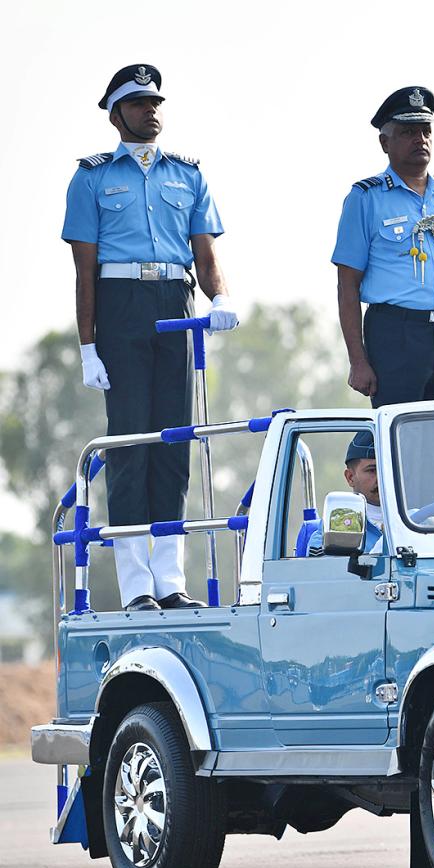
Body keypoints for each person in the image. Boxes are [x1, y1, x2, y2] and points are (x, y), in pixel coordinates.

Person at [62, 64, 238, 612]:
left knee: (174, 442)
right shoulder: (90, 178)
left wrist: (222, 297)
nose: (151, 111)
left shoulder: (188, 174)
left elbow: (206, 255)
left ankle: (170, 579)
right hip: (121, 307)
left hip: (175, 303)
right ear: (116, 114)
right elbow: (84, 270)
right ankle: (137, 583)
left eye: (156, 102)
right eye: (138, 104)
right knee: (131, 443)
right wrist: (88, 345)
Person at [332, 86, 434, 505]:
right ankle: (403, 537)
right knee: (399, 449)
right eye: (409, 131)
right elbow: (347, 283)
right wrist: (358, 359)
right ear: (385, 142)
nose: (420, 139)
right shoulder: (366, 197)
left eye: (426, 129)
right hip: (395, 333)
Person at [308, 432, 384, 555]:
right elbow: (321, 569)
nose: (382, 477)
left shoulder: (419, 522)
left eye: (389, 469)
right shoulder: (334, 526)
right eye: (372, 470)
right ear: (350, 477)